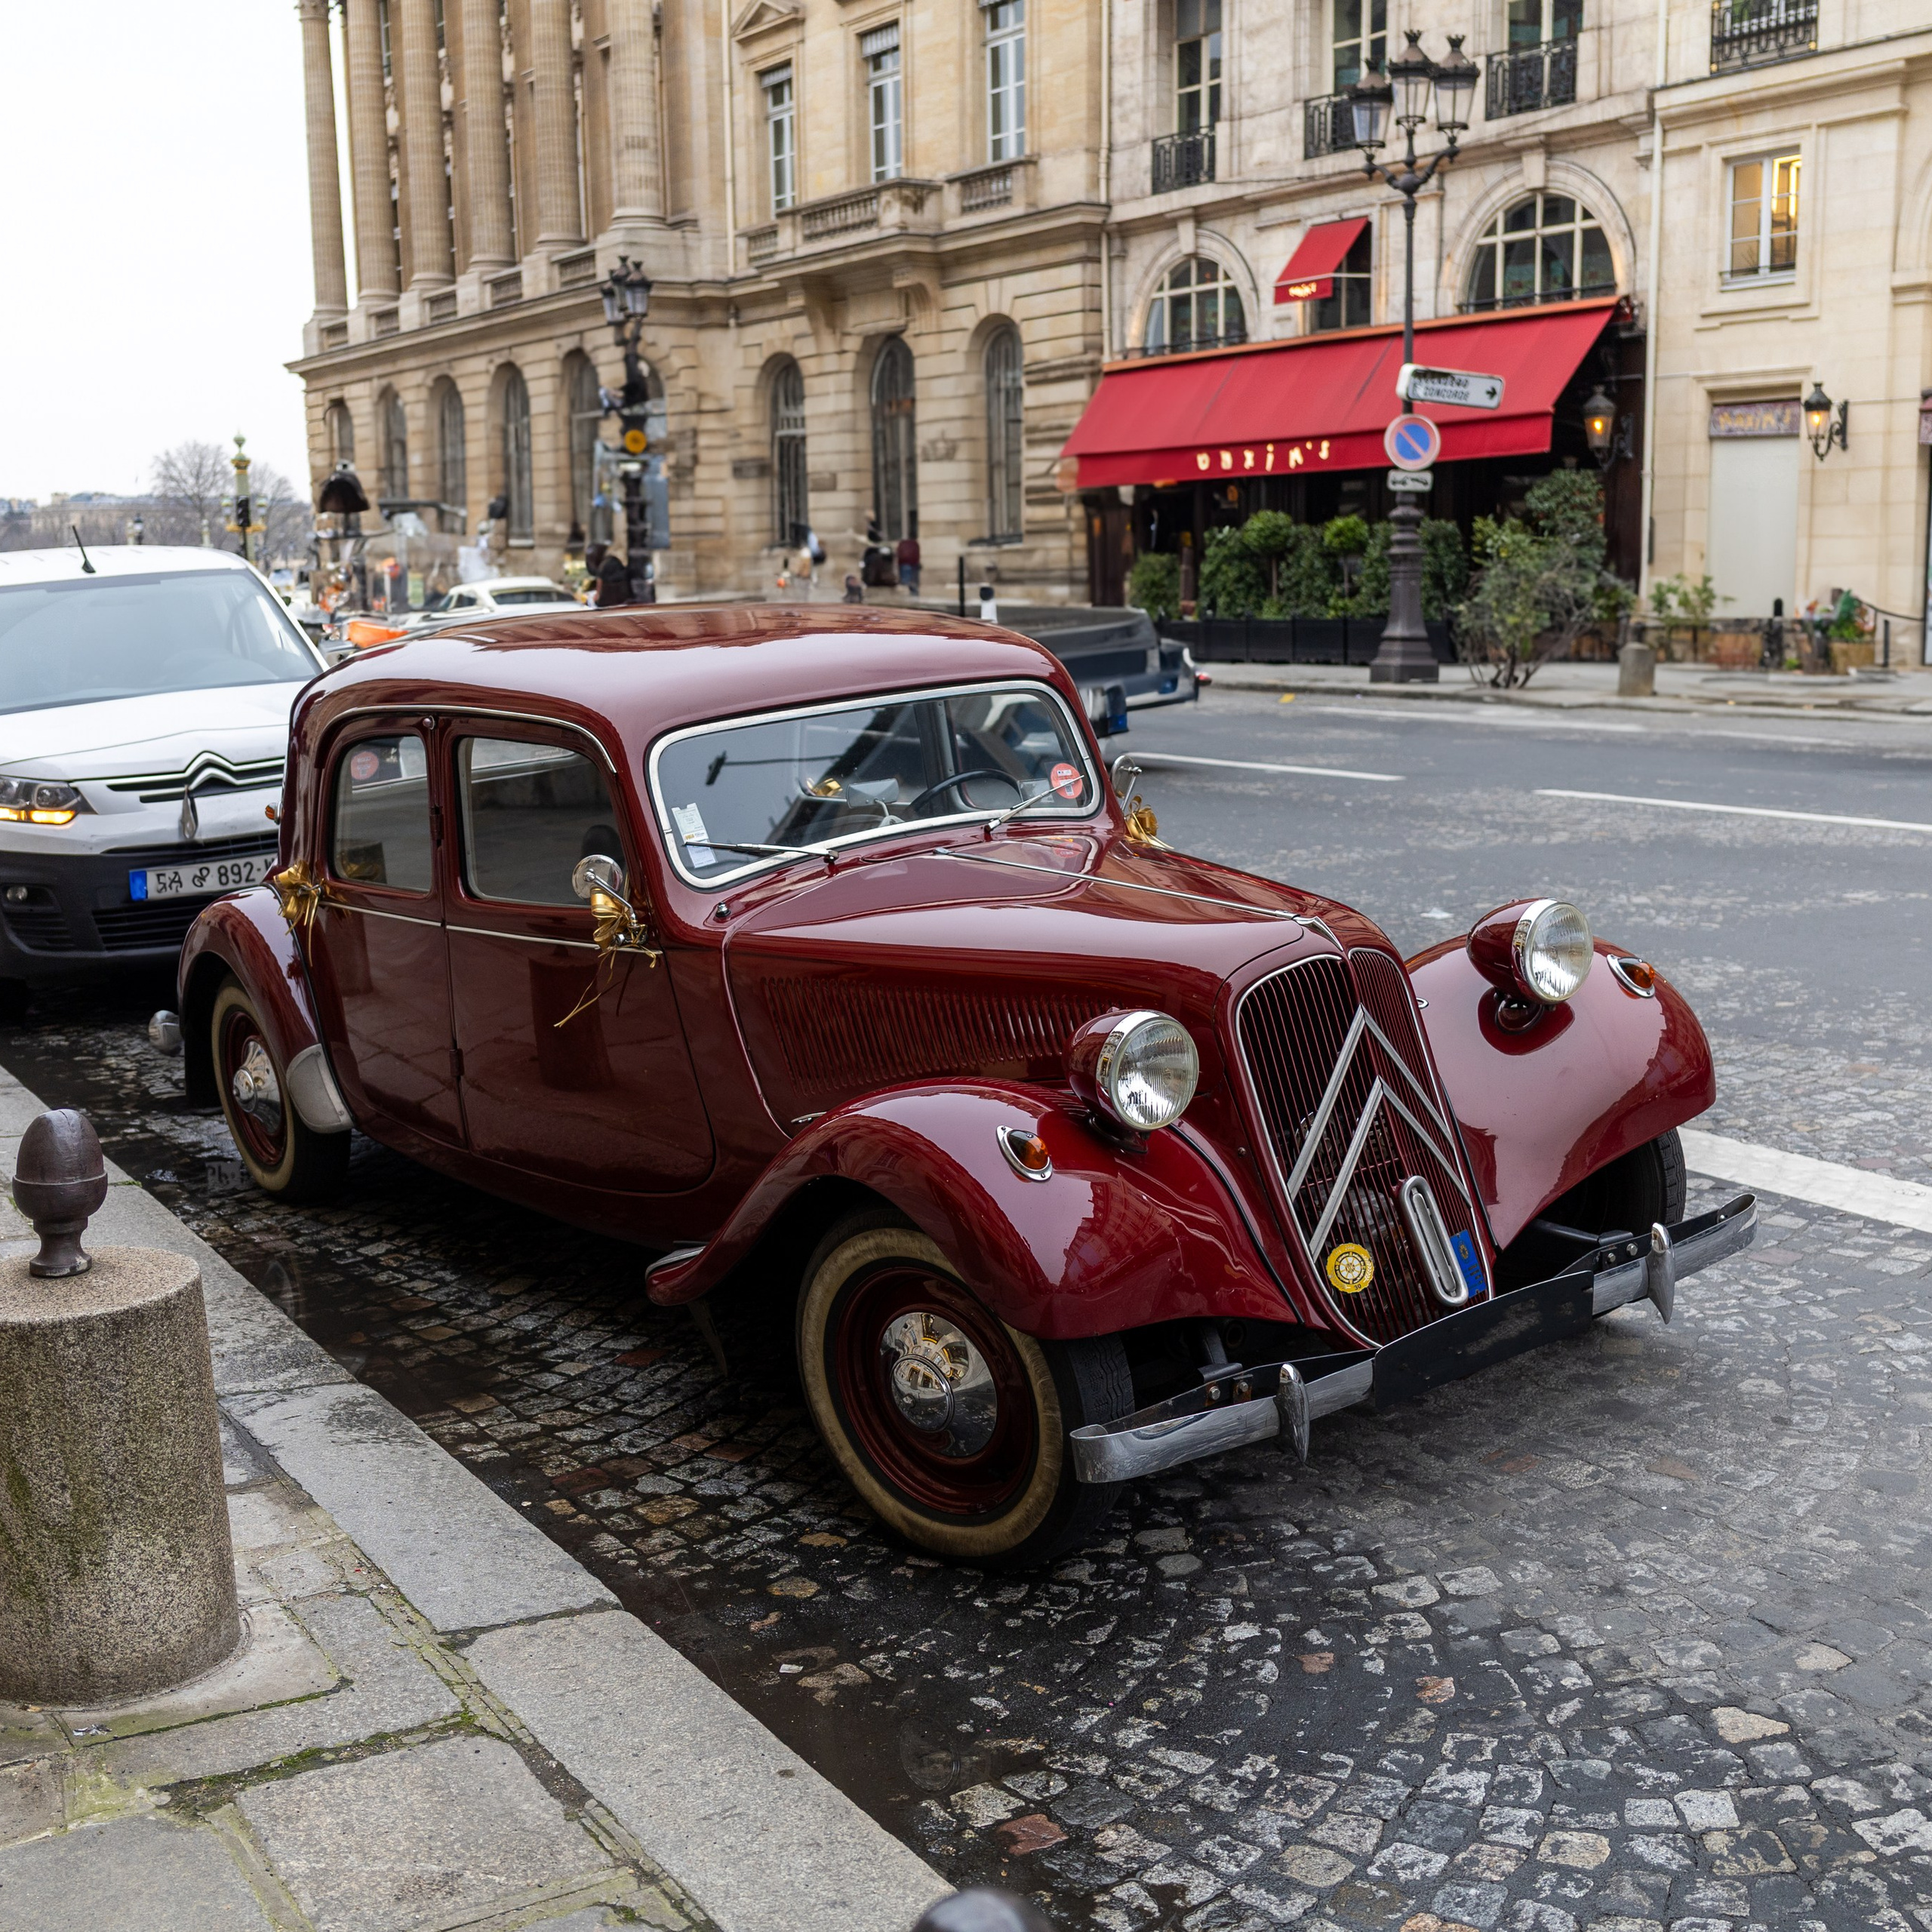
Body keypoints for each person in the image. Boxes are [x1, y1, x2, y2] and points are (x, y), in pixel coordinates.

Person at [585, 542, 632, 609]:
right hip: (622, 602)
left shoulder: (604, 567)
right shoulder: (613, 562)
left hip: (607, 604)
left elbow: (597, 595)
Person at [896, 531, 921, 595]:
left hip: (904, 563)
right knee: (913, 581)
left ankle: (910, 593)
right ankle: (914, 593)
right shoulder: (915, 544)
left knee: (905, 581)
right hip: (913, 564)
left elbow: (898, 553)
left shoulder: (903, 543)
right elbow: (917, 555)